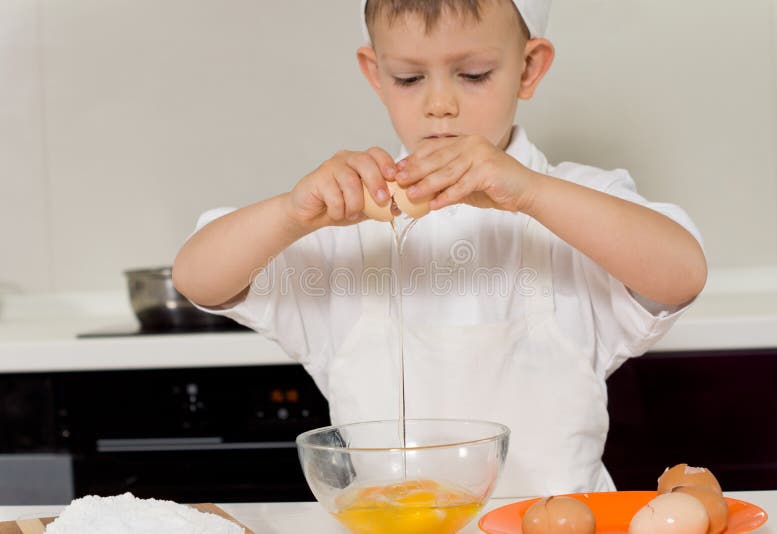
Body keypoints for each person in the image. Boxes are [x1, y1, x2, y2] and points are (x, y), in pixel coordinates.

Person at [173, 0, 707, 497]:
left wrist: (530, 193)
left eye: (473, 74)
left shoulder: (573, 206)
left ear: (529, 68)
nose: (439, 105)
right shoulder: (342, 225)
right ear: (375, 74)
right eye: (408, 78)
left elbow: (681, 273)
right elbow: (198, 277)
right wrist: (291, 213)